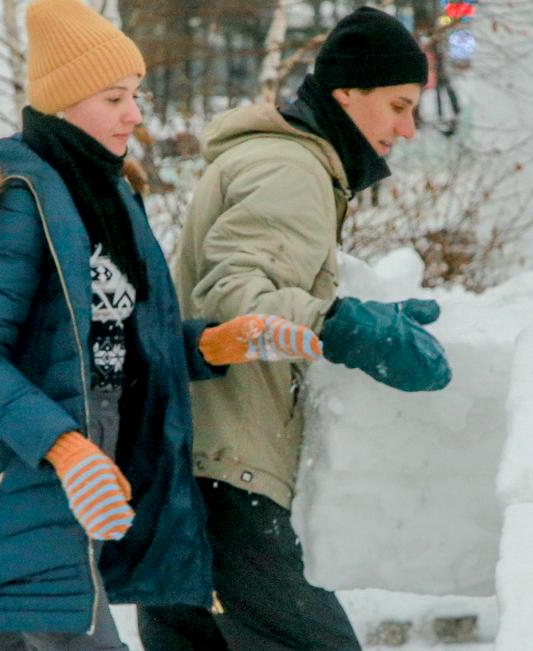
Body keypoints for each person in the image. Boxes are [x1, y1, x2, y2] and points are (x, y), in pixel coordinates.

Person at [0, 1, 323, 648]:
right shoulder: (17, 199)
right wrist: (69, 450)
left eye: (136, 96)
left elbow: (118, 342)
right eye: (114, 97)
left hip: (79, 475)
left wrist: (221, 340)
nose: (135, 114)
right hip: (21, 483)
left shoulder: (108, 194)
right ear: (66, 101)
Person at [139, 7, 453, 649]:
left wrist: (362, 316)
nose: (408, 128)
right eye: (397, 105)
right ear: (347, 93)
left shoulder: (286, 163)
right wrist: (347, 327)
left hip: (192, 472)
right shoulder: (292, 168)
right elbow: (236, 297)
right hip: (228, 478)